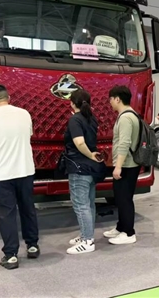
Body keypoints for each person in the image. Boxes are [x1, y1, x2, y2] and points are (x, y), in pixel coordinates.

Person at [0, 84, 39, 270]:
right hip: (25, 170)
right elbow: (29, 135)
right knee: (28, 208)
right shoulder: (24, 114)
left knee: (6, 215)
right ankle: (33, 245)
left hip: (2, 174)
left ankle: (11, 255)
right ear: (8, 98)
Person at [64, 89, 104, 255]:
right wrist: (92, 157)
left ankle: (87, 241)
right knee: (89, 203)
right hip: (91, 169)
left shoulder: (75, 119)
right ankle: (86, 235)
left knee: (81, 205)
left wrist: (89, 155)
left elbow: (79, 143)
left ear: (72, 103)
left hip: (79, 167)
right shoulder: (91, 118)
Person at [103, 85, 142, 245]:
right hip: (129, 163)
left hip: (127, 165)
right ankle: (121, 227)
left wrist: (118, 166)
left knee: (124, 199)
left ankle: (129, 232)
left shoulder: (125, 118)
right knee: (121, 198)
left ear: (118, 99)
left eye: (111, 99)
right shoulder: (132, 114)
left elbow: (124, 143)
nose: (110, 102)